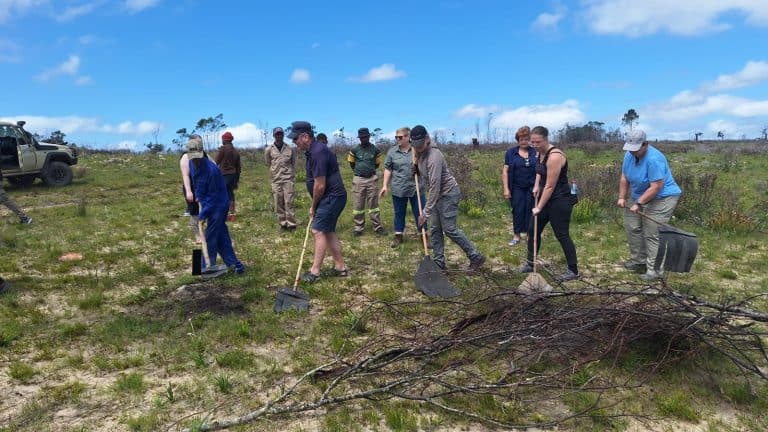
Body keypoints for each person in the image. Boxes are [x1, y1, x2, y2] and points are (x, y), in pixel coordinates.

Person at [413, 125, 485, 271]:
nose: (418, 148)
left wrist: (425, 213)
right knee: (435, 229)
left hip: (448, 193)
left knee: (449, 229)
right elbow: (423, 174)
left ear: (427, 139)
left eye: (420, 145)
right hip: (437, 195)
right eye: (415, 146)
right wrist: (415, 169)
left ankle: (475, 256)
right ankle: (439, 262)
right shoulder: (418, 152)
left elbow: (435, 186)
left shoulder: (435, 156)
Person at [617, 129, 682, 281]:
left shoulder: (654, 158)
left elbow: (656, 187)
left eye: (636, 149)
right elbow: (624, 177)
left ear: (645, 144)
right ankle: (638, 261)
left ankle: (654, 270)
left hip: (662, 197)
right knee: (632, 227)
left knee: (652, 233)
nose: (633, 153)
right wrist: (622, 197)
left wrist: (639, 203)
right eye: (630, 149)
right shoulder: (629, 155)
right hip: (639, 194)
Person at [288, 121, 348, 283]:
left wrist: (313, 206)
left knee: (318, 231)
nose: (294, 143)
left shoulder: (317, 152)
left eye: (295, 139)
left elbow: (320, 185)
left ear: (305, 137)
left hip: (332, 196)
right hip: (332, 197)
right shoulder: (313, 151)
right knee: (327, 231)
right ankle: (340, 266)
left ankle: (315, 272)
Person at [520, 126, 579, 282]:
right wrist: (535, 185)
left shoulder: (555, 156)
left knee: (562, 234)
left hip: (560, 200)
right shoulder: (540, 153)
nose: (534, 145)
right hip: (546, 197)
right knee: (533, 229)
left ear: (546, 139)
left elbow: (550, 186)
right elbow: (540, 171)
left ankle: (573, 271)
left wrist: (539, 206)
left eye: (537, 142)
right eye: (532, 142)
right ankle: (530, 263)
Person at [187, 136, 245, 274]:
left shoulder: (212, 170)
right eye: (192, 157)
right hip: (206, 201)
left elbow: (213, 197)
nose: (195, 160)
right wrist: (199, 197)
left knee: (210, 235)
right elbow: (197, 182)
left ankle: (203, 266)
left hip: (219, 204)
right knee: (221, 235)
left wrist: (203, 214)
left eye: (197, 157)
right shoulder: (191, 164)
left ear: (202, 153)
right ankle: (235, 266)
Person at [379, 126, 425, 247]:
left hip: (416, 188)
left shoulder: (417, 150)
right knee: (399, 213)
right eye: (396, 137)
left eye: (400, 137)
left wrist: (419, 169)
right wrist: (384, 186)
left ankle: (424, 236)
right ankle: (398, 236)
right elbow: (388, 169)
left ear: (408, 137)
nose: (397, 139)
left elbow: (426, 166)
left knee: (420, 213)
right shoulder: (392, 151)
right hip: (399, 188)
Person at [502, 126, 536, 246]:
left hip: (532, 187)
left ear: (530, 139)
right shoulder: (511, 153)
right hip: (516, 187)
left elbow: (540, 170)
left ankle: (529, 235)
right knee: (517, 210)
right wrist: (506, 188)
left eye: (526, 139)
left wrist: (538, 186)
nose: (523, 141)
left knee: (530, 210)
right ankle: (516, 235)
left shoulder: (535, 152)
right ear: (518, 140)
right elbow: (505, 171)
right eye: (521, 139)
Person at [347, 127, 385, 236]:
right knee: (358, 205)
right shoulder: (354, 150)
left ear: (369, 137)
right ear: (359, 138)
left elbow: (377, 164)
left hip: (372, 179)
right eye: (361, 137)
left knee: (373, 204)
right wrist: (359, 171)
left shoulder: (375, 150)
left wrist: (369, 170)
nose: (363, 139)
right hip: (359, 179)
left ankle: (377, 227)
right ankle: (358, 228)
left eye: (365, 137)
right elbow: (351, 163)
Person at [265, 127, 297, 230]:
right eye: (277, 134)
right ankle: (283, 224)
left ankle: (291, 224)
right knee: (278, 203)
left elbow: (293, 163)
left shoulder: (290, 148)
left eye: (280, 134)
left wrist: (291, 175)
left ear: (283, 135)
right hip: (276, 180)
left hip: (288, 179)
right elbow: (268, 163)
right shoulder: (269, 149)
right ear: (274, 135)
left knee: (289, 202)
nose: (279, 136)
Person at [179, 135, 203, 243]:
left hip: (202, 186)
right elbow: (185, 175)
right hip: (191, 188)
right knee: (194, 212)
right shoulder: (185, 157)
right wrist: (189, 191)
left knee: (204, 211)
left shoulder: (203, 155)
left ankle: (203, 231)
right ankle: (198, 235)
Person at [214, 131, 241, 221]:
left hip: (224, 175)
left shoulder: (223, 149)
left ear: (224, 140)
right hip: (233, 175)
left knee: (222, 194)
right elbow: (238, 168)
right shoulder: (236, 151)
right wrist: (236, 180)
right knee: (230, 194)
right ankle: (232, 215)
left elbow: (216, 162)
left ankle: (224, 215)